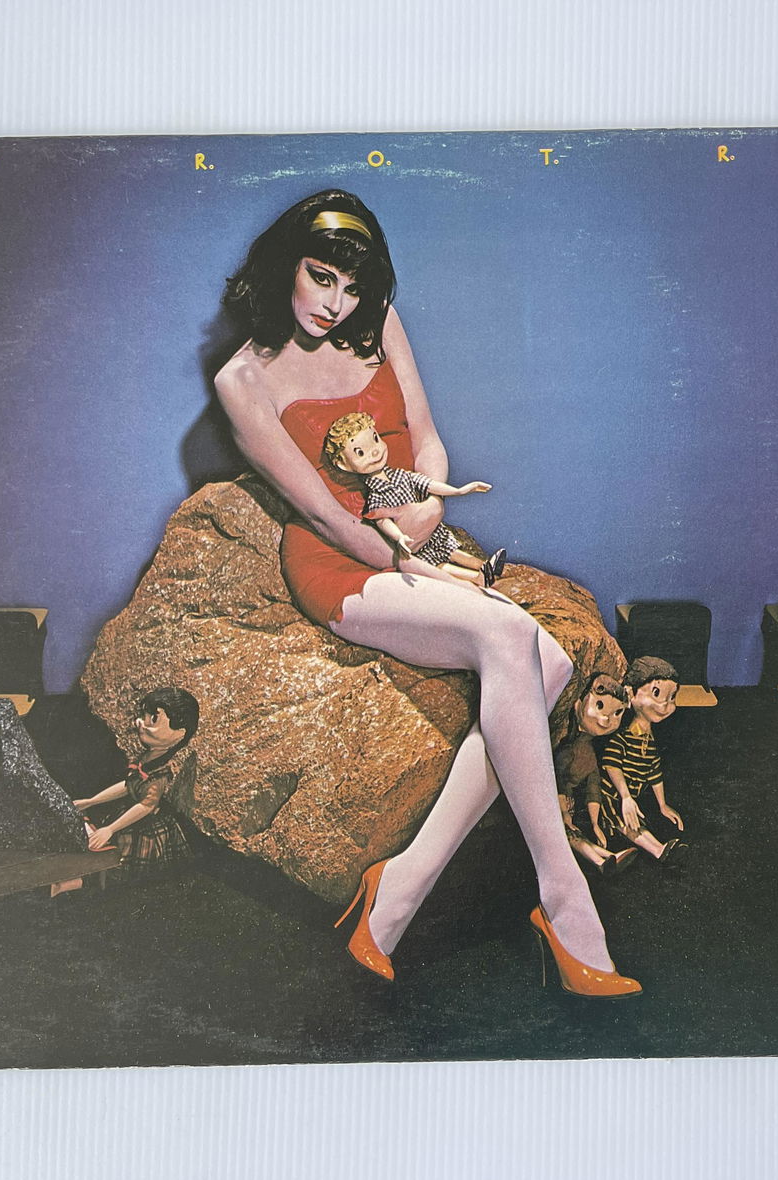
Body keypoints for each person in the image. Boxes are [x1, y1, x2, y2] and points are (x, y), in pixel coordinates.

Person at [213, 189, 637, 997]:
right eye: (321, 278)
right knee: (515, 640)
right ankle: (565, 896)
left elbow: (429, 440)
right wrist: (417, 562)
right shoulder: (243, 379)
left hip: (413, 528)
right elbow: (321, 513)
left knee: (547, 663)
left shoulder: (379, 322)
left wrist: (430, 510)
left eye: (352, 287)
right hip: (341, 564)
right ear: (284, 265)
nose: (336, 305)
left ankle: (399, 888)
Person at [0, 689, 199, 894]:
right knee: (93, 844)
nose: (141, 723)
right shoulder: (146, 759)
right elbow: (128, 786)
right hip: (126, 814)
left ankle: (73, 884)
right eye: (143, 716)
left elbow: (145, 806)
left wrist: (110, 829)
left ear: (179, 733)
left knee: (116, 862)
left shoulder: (160, 773)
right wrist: (91, 800)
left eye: (153, 719)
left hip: (144, 828)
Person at [322, 410, 508, 587]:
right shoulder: (376, 496)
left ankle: (485, 567)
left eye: (375, 439)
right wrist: (399, 537)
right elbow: (383, 521)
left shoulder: (401, 475)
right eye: (360, 453)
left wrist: (459, 491)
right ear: (343, 464)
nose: (375, 452)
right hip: (413, 541)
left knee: (452, 551)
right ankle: (478, 578)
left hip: (431, 531)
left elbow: (428, 484)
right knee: (438, 565)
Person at [599, 657, 687, 858]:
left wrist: (662, 804)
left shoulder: (649, 741)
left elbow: (654, 772)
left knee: (637, 821)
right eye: (656, 694)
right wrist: (626, 796)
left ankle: (661, 849)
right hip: (610, 796)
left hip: (629, 796)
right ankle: (658, 850)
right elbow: (611, 764)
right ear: (631, 693)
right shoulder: (623, 737)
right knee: (627, 822)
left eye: (671, 698)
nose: (664, 705)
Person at [554, 673, 638, 875]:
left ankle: (607, 858)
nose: (607, 719)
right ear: (578, 705)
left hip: (568, 806)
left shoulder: (590, 753)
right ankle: (601, 860)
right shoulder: (567, 749)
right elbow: (557, 779)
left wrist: (595, 823)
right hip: (554, 803)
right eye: (600, 706)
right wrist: (563, 812)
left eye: (617, 713)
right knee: (567, 834)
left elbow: (593, 786)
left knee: (572, 833)